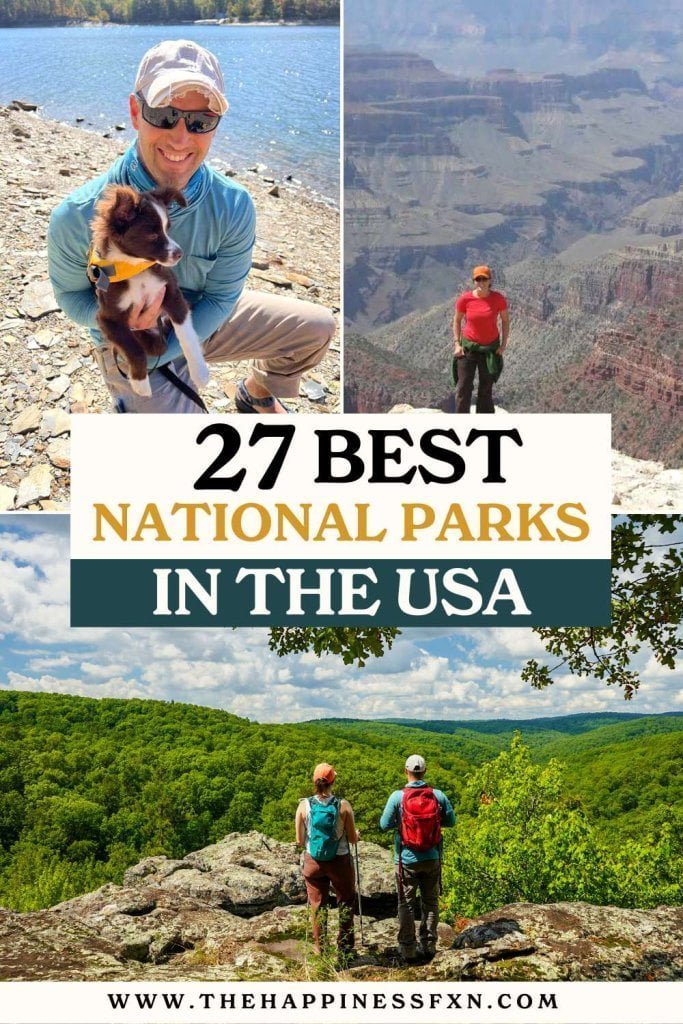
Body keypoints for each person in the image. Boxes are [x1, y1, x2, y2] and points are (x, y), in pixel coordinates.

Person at [48, 39, 335, 414]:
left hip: (196, 317)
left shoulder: (233, 205)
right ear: (135, 112)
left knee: (316, 328)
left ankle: (257, 391)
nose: (181, 137)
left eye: (200, 121)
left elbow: (220, 298)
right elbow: (71, 298)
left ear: (215, 127)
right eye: (164, 115)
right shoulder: (75, 216)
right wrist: (125, 329)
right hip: (130, 340)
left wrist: (178, 348)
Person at [380, 754, 455, 963]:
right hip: (432, 856)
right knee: (430, 902)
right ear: (424, 771)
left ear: (406, 771)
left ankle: (408, 949)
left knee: (406, 904)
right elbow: (451, 821)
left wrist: (402, 823)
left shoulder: (397, 797)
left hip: (406, 859)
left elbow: (384, 824)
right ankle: (429, 945)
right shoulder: (437, 795)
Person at [295, 762, 360, 960]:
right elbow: (351, 839)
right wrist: (356, 834)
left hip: (314, 862)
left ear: (314, 781)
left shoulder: (304, 805)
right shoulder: (343, 805)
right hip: (339, 860)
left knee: (317, 904)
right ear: (333, 781)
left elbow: (299, 840)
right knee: (346, 901)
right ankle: (345, 948)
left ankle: (321, 950)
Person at [452, 265, 509, 413]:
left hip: (490, 348)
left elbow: (505, 321)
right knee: (463, 387)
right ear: (474, 281)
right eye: (478, 279)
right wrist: (457, 344)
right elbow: (457, 321)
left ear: (490, 280)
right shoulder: (465, 299)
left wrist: (503, 345)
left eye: (484, 279)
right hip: (468, 348)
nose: (481, 282)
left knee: (485, 388)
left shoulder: (498, 299)